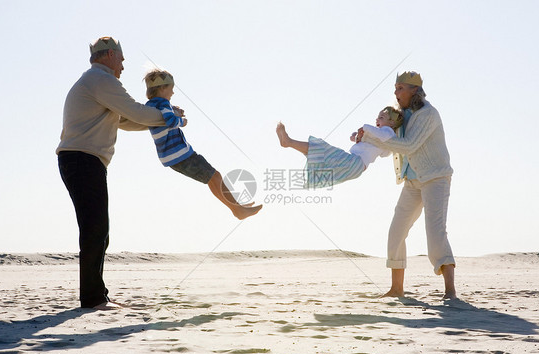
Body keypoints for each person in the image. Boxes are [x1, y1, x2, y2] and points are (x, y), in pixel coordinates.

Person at [57, 37, 169, 310]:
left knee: (98, 230)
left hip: (82, 161)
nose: (123, 63)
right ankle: (94, 300)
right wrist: (170, 118)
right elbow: (135, 112)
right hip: (82, 160)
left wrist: (165, 119)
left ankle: (97, 296)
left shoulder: (96, 81)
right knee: (95, 229)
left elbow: (126, 121)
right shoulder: (101, 80)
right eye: (120, 57)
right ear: (108, 55)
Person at [360, 71, 456, 299]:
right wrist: (364, 136)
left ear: (415, 90)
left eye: (400, 87)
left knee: (435, 234)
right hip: (412, 181)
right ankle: (396, 290)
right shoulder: (401, 115)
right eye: (395, 88)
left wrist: (371, 137)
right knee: (396, 233)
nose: (396, 92)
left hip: (435, 178)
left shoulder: (427, 114)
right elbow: (387, 141)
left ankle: (450, 291)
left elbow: (409, 145)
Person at [143, 69, 262, 219]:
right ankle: (238, 210)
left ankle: (237, 207)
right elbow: (171, 121)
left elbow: (163, 115)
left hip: (171, 158)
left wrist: (174, 109)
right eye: (171, 89)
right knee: (215, 176)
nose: (172, 93)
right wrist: (182, 121)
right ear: (162, 88)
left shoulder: (151, 105)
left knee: (212, 178)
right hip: (181, 155)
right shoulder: (164, 104)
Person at [276, 107, 404, 188]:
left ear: (392, 123)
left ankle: (289, 142)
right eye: (377, 117)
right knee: (323, 154)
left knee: (322, 150)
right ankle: (289, 142)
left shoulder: (388, 132)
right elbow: (355, 139)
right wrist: (358, 137)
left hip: (355, 163)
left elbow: (383, 139)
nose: (377, 119)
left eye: (381, 117)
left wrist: (365, 128)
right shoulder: (378, 136)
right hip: (354, 164)